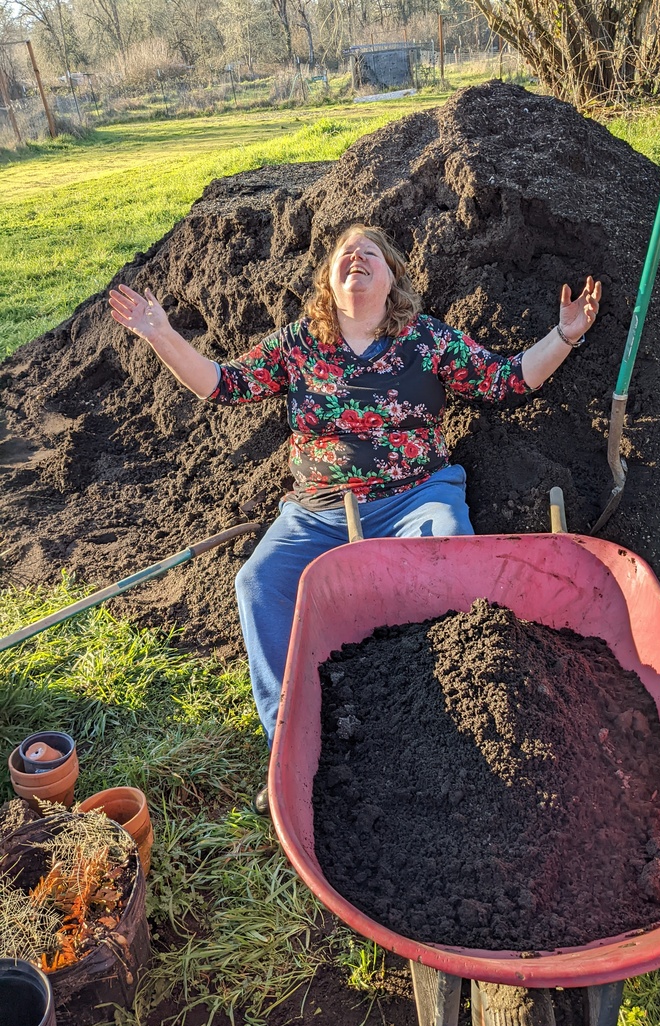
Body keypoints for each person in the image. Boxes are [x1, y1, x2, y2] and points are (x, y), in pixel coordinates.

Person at [109, 224, 601, 748]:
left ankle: (447, 717)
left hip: (416, 497)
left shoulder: (426, 339)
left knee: (448, 551)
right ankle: (290, 738)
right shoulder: (299, 344)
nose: (357, 258)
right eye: (346, 253)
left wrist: (565, 334)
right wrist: (159, 332)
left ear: (392, 277)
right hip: (317, 510)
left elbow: (505, 380)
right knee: (259, 582)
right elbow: (222, 384)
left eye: (371, 253)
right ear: (328, 278)